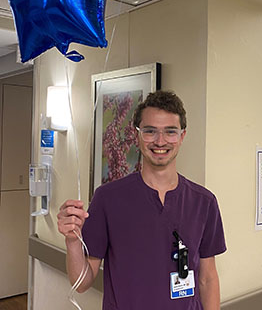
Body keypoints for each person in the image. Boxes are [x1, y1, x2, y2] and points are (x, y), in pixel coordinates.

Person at [57, 90, 226, 310]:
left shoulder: (204, 202)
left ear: (182, 136)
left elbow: (208, 278)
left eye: (170, 131)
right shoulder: (108, 199)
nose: (160, 141)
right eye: (150, 131)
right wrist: (72, 241)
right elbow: (81, 283)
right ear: (137, 135)